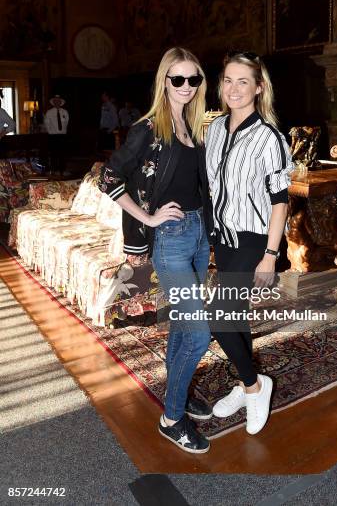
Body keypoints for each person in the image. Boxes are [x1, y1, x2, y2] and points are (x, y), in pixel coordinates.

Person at [98, 47, 213, 454]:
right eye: (177, 79)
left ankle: (177, 397)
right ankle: (171, 418)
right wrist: (146, 220)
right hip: (171, 240)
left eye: (193, 79)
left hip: (199, 235)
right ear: (164, 81)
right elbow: (108, 177)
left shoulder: (196, 126)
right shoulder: (149, 128)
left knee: (184, 325)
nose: (186, 87)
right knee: (199, 335)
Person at [205, 50, 293, 435]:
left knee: (218, 317)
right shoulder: (213, 129)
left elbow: (280, 201)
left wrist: (270, 256)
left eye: (243, 81)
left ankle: (257, 386)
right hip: (222, 238)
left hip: (254, 239)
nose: (234, 88)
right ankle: (245, 384)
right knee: (234, 316)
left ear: (259, 88)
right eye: (228, 80)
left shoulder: (269, 137)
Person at [44, 95, 69, 175]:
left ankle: (62, 170)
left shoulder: (65, 112)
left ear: (61, 102)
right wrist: (50, 132)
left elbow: (66, 122)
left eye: (58, 101)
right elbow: (47, 124)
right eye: (55, 101)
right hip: (53, 136)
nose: (57, 102)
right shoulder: (49, 112)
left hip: (62, 136)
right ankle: (53, 170)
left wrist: (63, 132)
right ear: (53, 102)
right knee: (53, 154)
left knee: (62, 154)